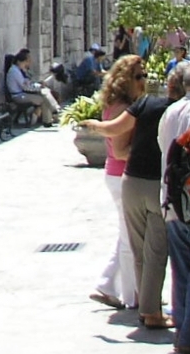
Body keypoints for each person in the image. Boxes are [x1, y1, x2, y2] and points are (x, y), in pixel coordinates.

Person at [92, 55, 146, 312]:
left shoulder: (118, 105)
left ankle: (107, 283)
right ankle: (132, 295)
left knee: (126, 234)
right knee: (129, 238)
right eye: (139, 76)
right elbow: (120, 150)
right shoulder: (123, 109)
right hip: (121, 175)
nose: (144, 81)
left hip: (117, 174)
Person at [123, 66, 175, 330]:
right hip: (157, 185)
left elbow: (114, 128)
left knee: (139, 250)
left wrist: (94, 125)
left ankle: (147, 308)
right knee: (156, 252)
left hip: (130, 181)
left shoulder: (144, 105)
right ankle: (152, 312)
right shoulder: (176, 112)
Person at [160, 62, 190, 354]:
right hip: (188, 200)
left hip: (170, 200)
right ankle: (186, 338)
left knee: (180, 270)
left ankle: (181, 328)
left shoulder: (170, 112)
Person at [4, 47, 59, 126]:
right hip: (18, 96)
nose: (26, 64)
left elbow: (29, 83)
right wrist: (39, 87)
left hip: (23, 93)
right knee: (43, 98)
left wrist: (39, 86)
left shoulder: (20, 70)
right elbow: (25, 86)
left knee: (45, 93)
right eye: (24, 62)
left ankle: (50, 116)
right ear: (19, 62)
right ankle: (51, 115)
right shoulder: (14, 71)